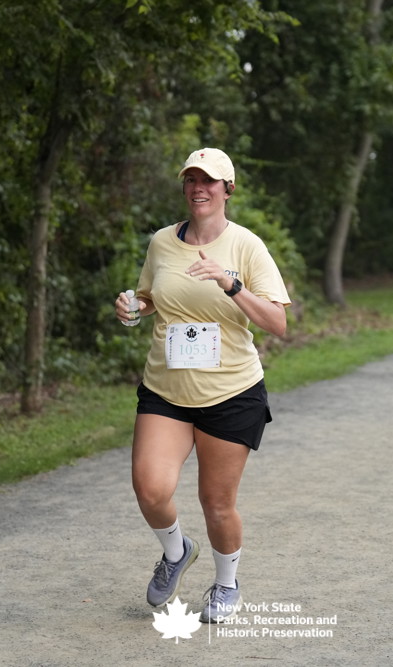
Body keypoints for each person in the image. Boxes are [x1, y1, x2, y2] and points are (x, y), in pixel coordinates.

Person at [114, 147, 291, 623]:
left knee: (216, 504)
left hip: (231, 393)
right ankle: (176, 553)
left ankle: (227, 584)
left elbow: (277, 322)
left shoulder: (247, 246)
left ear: (227, 189)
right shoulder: (162, 242)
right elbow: (151, 297)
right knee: (150, 489)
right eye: (191, 180)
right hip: (166, 390)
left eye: (209, 181)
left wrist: (230, 284)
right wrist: (133, 308)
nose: (198, 188)